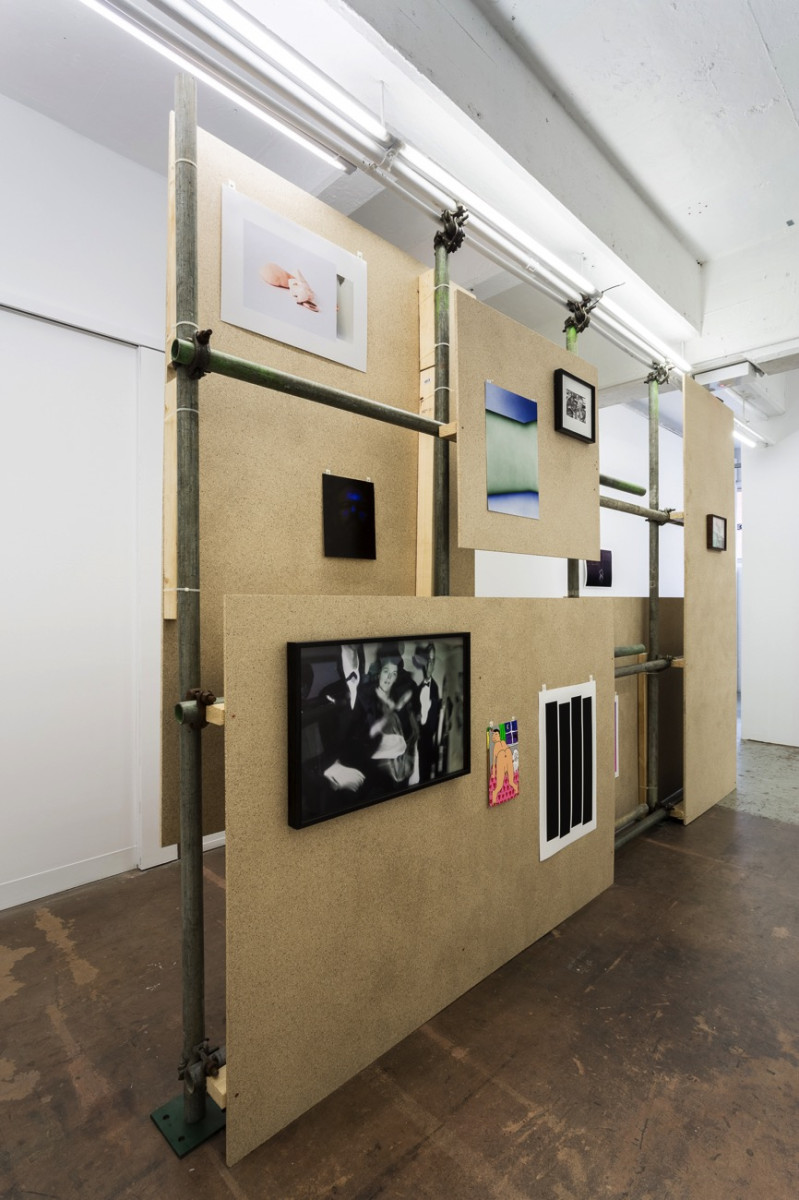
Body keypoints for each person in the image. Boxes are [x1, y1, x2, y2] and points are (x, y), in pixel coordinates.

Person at [362, 647, 419, 789]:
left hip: (399, 769)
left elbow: (410, 734)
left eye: (394, 674)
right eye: (386, 672)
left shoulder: (400, 698)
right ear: (378, 673)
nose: (389, 678)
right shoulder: (365, 698)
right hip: (374, 774)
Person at [412, 642, 441, 782]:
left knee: (425, 779)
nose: (430, 664)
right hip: (415, 741)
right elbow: (414, 713)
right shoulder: (417, 689)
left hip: (427, 742)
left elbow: (433, 723)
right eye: (428, 659)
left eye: (433, 660)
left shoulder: (435, 688)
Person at [489, 727, 517, 805]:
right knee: (499, 785)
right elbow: (493, 761)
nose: (494, 736)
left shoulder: (503, 742)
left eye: (496, 734)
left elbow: (509, 751)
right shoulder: (495, 747)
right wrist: (493, 774)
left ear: (499, 735)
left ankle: (515, 789)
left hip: (509, 762)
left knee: (511, 781)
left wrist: (512, 760)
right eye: (493, 735)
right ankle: (494, 796)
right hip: (501, 764)